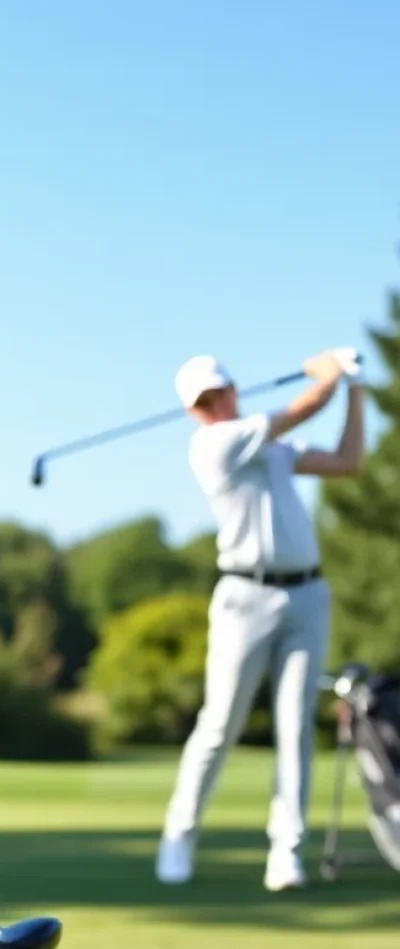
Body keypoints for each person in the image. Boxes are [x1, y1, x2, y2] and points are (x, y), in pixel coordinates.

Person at [156, 347, 365, 891]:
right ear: (192, 411)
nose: (214, 404)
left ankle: (286, 852)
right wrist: (330, 376)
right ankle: (180, 833)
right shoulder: (213, 443)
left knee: (296, 726)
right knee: (220, 723)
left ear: (232, 390)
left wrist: (356, 391)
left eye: (219, 393)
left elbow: (347, 462)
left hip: (308, 595)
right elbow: (303, 408)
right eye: (203, 401)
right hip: (243, 599)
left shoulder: (270, 447)